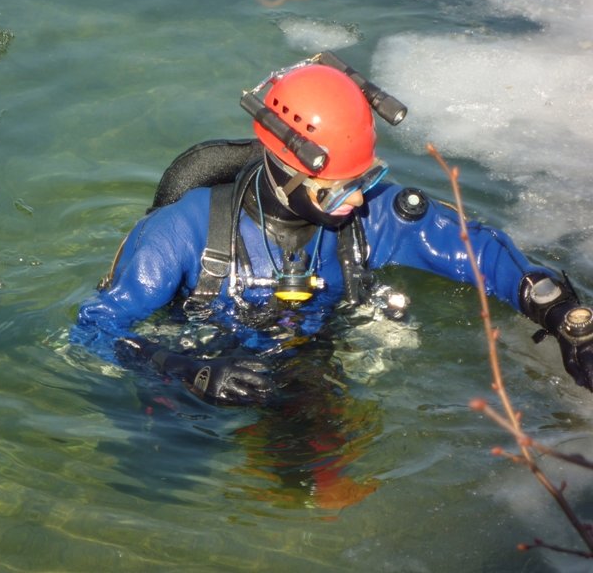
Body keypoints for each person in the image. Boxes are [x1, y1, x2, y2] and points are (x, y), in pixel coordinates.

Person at [72, 51, 593, 406]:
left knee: (319, 484)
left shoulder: (369, 217)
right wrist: (185, 370)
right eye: (336, 189)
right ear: (284, 170)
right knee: (154, 476)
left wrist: (564, 317)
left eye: (364, 180)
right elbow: (93, 329)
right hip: (193, 368)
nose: (359, 199)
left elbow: (479, 250)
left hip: (313, 366)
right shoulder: (179, 232)